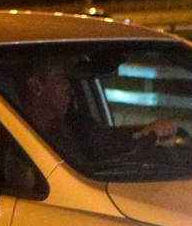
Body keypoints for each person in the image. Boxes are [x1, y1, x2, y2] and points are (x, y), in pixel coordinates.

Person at [14, 58, 181, 163]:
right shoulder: (16, 139)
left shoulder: (75, 124)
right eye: (61, 79)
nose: (70, 89)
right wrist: (149, 136)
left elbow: (108, 141)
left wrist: (152, 136)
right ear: (35, 86)